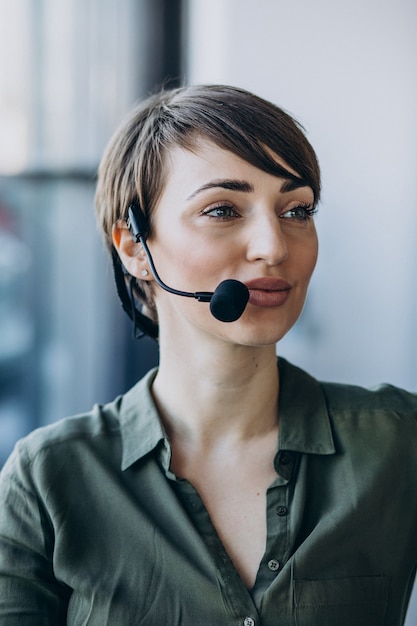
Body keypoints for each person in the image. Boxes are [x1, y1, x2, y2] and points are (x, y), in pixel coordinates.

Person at [0, 84, 416, 626]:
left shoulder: (397, 442)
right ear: (134, 246)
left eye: (297, 210)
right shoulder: (48, 479)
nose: (273, 246)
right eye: (222, 209)